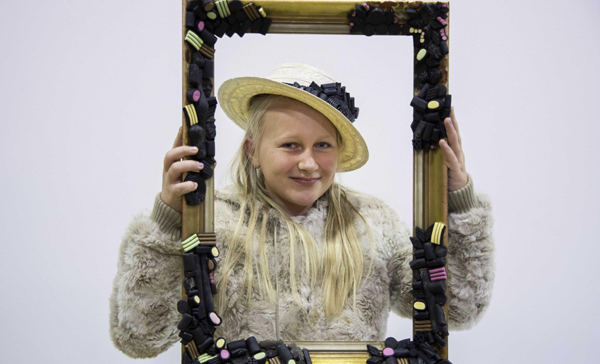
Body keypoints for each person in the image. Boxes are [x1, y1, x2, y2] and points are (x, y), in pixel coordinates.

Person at [109, 63, 495, 359]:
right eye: (291, 145)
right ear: (252, 150)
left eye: (323, 145)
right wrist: (168, 222)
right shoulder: (212, 223)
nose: (309, 164)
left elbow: (458, 308)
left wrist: (457, 201)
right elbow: (138, 336)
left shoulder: (373, 225)